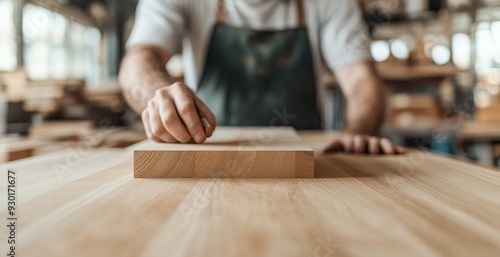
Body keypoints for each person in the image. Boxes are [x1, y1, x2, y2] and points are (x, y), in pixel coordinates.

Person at [119, 0, 403, 154]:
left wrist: (358, 132)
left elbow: (362, 81)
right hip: (209, 151)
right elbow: (139, 59)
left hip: (307, 158)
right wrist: (157, 98)